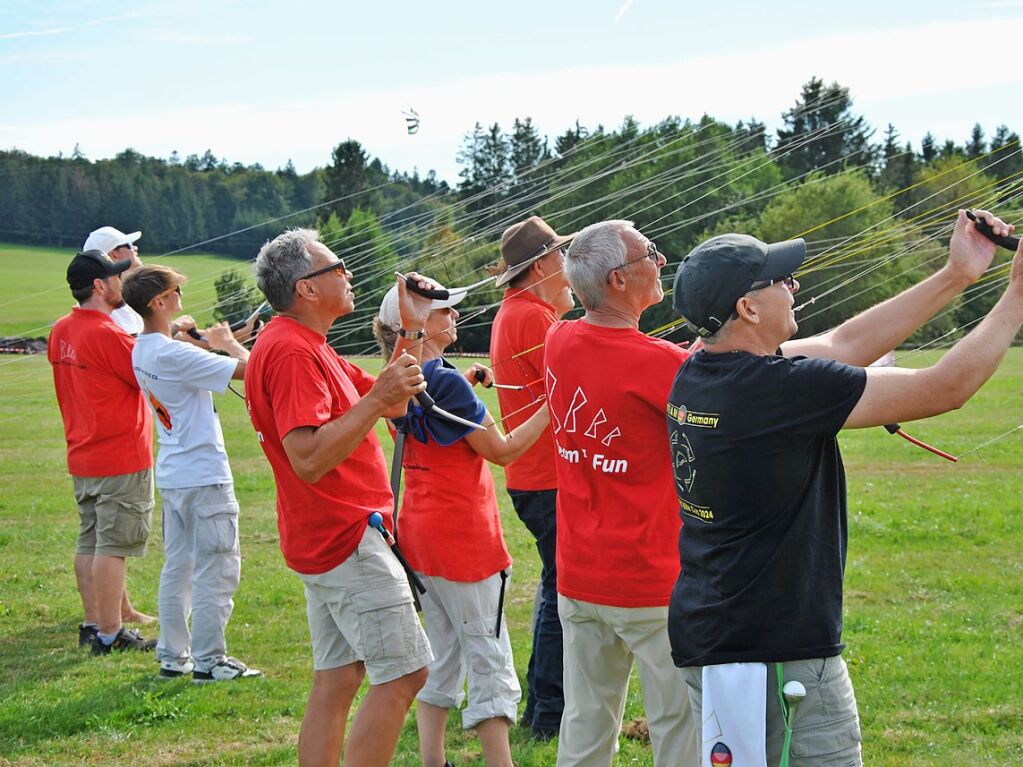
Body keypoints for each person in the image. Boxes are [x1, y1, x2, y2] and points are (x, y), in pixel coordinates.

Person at [666, 210, 1021, 767]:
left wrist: (958, 274)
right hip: (777, 653)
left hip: (716, 634)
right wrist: (1018, 294)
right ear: (747, 307)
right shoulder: (778, 391)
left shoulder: (700, 369)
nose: (794, 285)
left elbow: (845, 341)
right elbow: (946, 387)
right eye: (780, 280)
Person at [244, 228, 434, 767]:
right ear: (306, 288)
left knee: (340, 678)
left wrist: (413, 324)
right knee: (405, 673)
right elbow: (307, 457)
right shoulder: (289, 352)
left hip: (329, 535)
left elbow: (394, 400)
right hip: (345, 536)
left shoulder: (306, 344)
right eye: (339, 267)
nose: (349, 275)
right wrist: (377, 399)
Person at [374, 277, 550, 767]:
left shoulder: (400, 373)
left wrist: (466, 383)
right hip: (465, 539)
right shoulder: (445, 382)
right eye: (443, 311)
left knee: (443, 653)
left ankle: (434, 761)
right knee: (489, 657)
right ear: (417, 323)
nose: (454, 317)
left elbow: (433, 424)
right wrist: (555, 405)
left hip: (420, 535)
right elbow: (504, 450)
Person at [543, 220, 699, 767]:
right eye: (649, 254)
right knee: (679, 726)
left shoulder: (557, 339)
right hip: (649, 577)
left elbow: (615, 363)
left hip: (580, 572)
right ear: (617, 280)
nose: (660, 261)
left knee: (586, 720)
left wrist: (679, 356)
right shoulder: (663, 364)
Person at [122, 264, 262, 683]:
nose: (182, 295)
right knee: (216, 568)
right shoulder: (174, 353)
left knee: (178, 568)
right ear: (158, 302)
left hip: (175, 474)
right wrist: (231, 346)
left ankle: (173, 655)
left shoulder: (144, 347)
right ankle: (210, 660)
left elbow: (182, 350)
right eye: (174, 291)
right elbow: (251, 372)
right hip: (204, 476)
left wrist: (208, 339)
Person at [488, 215, 574, 738]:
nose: (568, 269)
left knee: (555, 589)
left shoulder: (519, 312)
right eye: (562, 258)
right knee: (562, 595)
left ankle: (544, 709)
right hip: (546, 476)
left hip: (535, 474)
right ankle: (549, 713)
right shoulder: (535, 318)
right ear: (541, 265)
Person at [47, 250, 157, 653]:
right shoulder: (107, 333)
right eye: (113, 276)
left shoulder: (61, 329)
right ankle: (112, 633)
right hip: (119, 456)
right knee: (113, 548)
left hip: (83, 454)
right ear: (99, 286)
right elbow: (147, 374)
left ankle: (93, 623)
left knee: (89, 541)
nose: (120, 283)